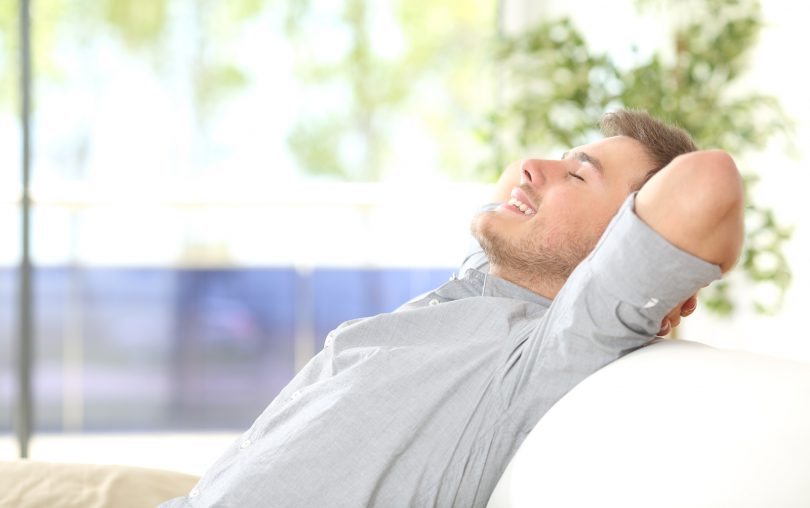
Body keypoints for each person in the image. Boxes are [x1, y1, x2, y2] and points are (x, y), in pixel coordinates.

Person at [160, 109, 744, 507]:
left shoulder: (550, 347)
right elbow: (512, 184)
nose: (530, 168)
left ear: (621, 251)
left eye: (576, 173)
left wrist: (654, 277)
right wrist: (567, 180)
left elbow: (705, 184)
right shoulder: (477, 285)